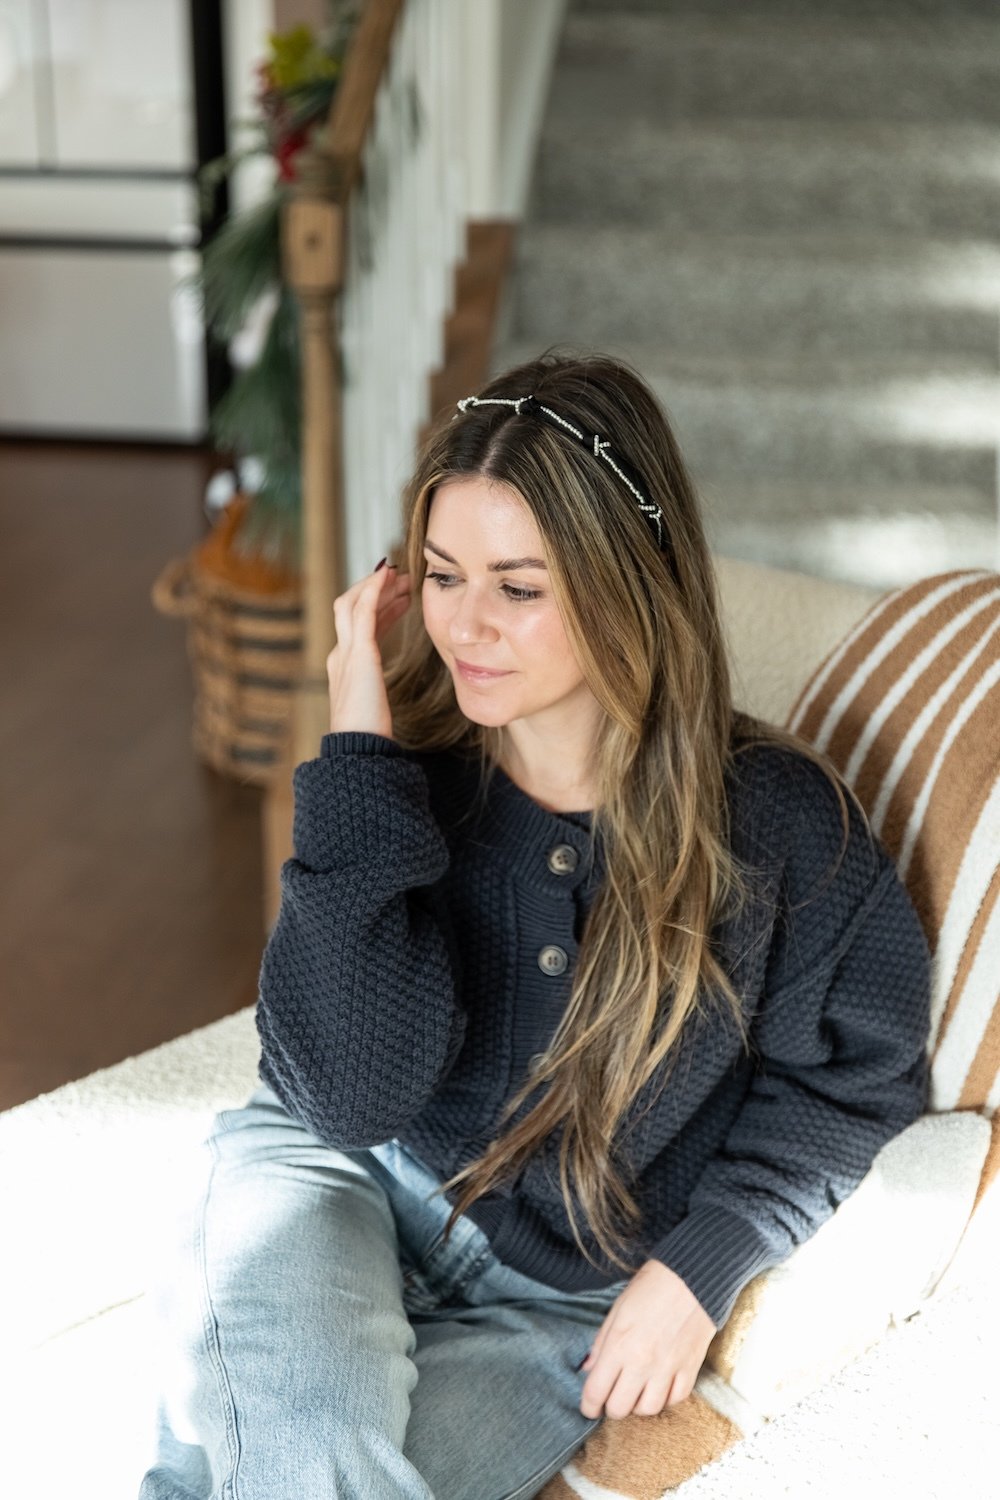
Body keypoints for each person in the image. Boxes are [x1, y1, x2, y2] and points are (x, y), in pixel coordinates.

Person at [139, 350, 931, 1500]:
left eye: (517, 588)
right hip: (333, 1176)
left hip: (555, 1297)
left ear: (626, 585)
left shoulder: (774, 828)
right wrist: (357, 735)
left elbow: (853, 1078)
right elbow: (348, 1100)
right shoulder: (396, 774)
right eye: (443, 576)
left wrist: (699, 1272)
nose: (466, 629)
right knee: (303, 1445)